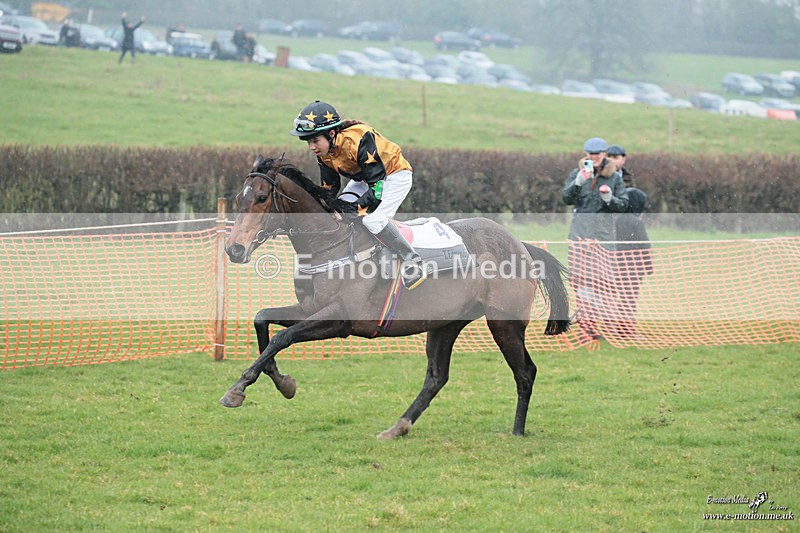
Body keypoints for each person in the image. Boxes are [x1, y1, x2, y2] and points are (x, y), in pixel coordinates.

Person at [290, 100, 426, 290]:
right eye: (308, 142)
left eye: (314, 140)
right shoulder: (324, 151)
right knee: (337, 213)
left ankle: (412, 260)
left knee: (373, 220)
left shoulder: (360, 139)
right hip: (364, 179)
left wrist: (351, 210)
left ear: (331, 134)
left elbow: (377, 188)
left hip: (394, 176)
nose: (312, 147)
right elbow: (329, 188)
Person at [562, 137, 629, 341]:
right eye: (590, 153)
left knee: (601, 284)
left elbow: (623, 205)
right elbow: (566, 199)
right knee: (582, 283)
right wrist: (577, 183)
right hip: (580, 236)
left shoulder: (615, 178)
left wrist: (610, 199)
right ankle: (586, 327)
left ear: (604, 154)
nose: (594, 157)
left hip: (604, 239)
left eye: (598, 153)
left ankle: (597, 322)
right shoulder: (577, 173)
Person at [611, 188, 654, 338]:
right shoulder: (637, 222)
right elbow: (644, 245)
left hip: (616, 265)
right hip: (633, 267)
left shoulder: (615, 220)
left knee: (619, 297)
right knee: (629, 299)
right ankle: (626, 330)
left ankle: (615, 327)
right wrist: (648, 266)